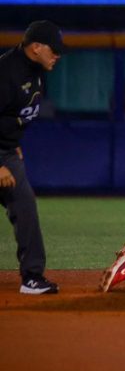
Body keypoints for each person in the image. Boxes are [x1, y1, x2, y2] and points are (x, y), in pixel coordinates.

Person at [0, 20, 65, 294]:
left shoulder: (36, 71)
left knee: (25, 205)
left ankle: (32, 277)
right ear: (35, 47)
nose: (58, 55)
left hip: (7, 152)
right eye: (54, 49)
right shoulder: (5, 72)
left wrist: (12, 144)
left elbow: (12, 117)